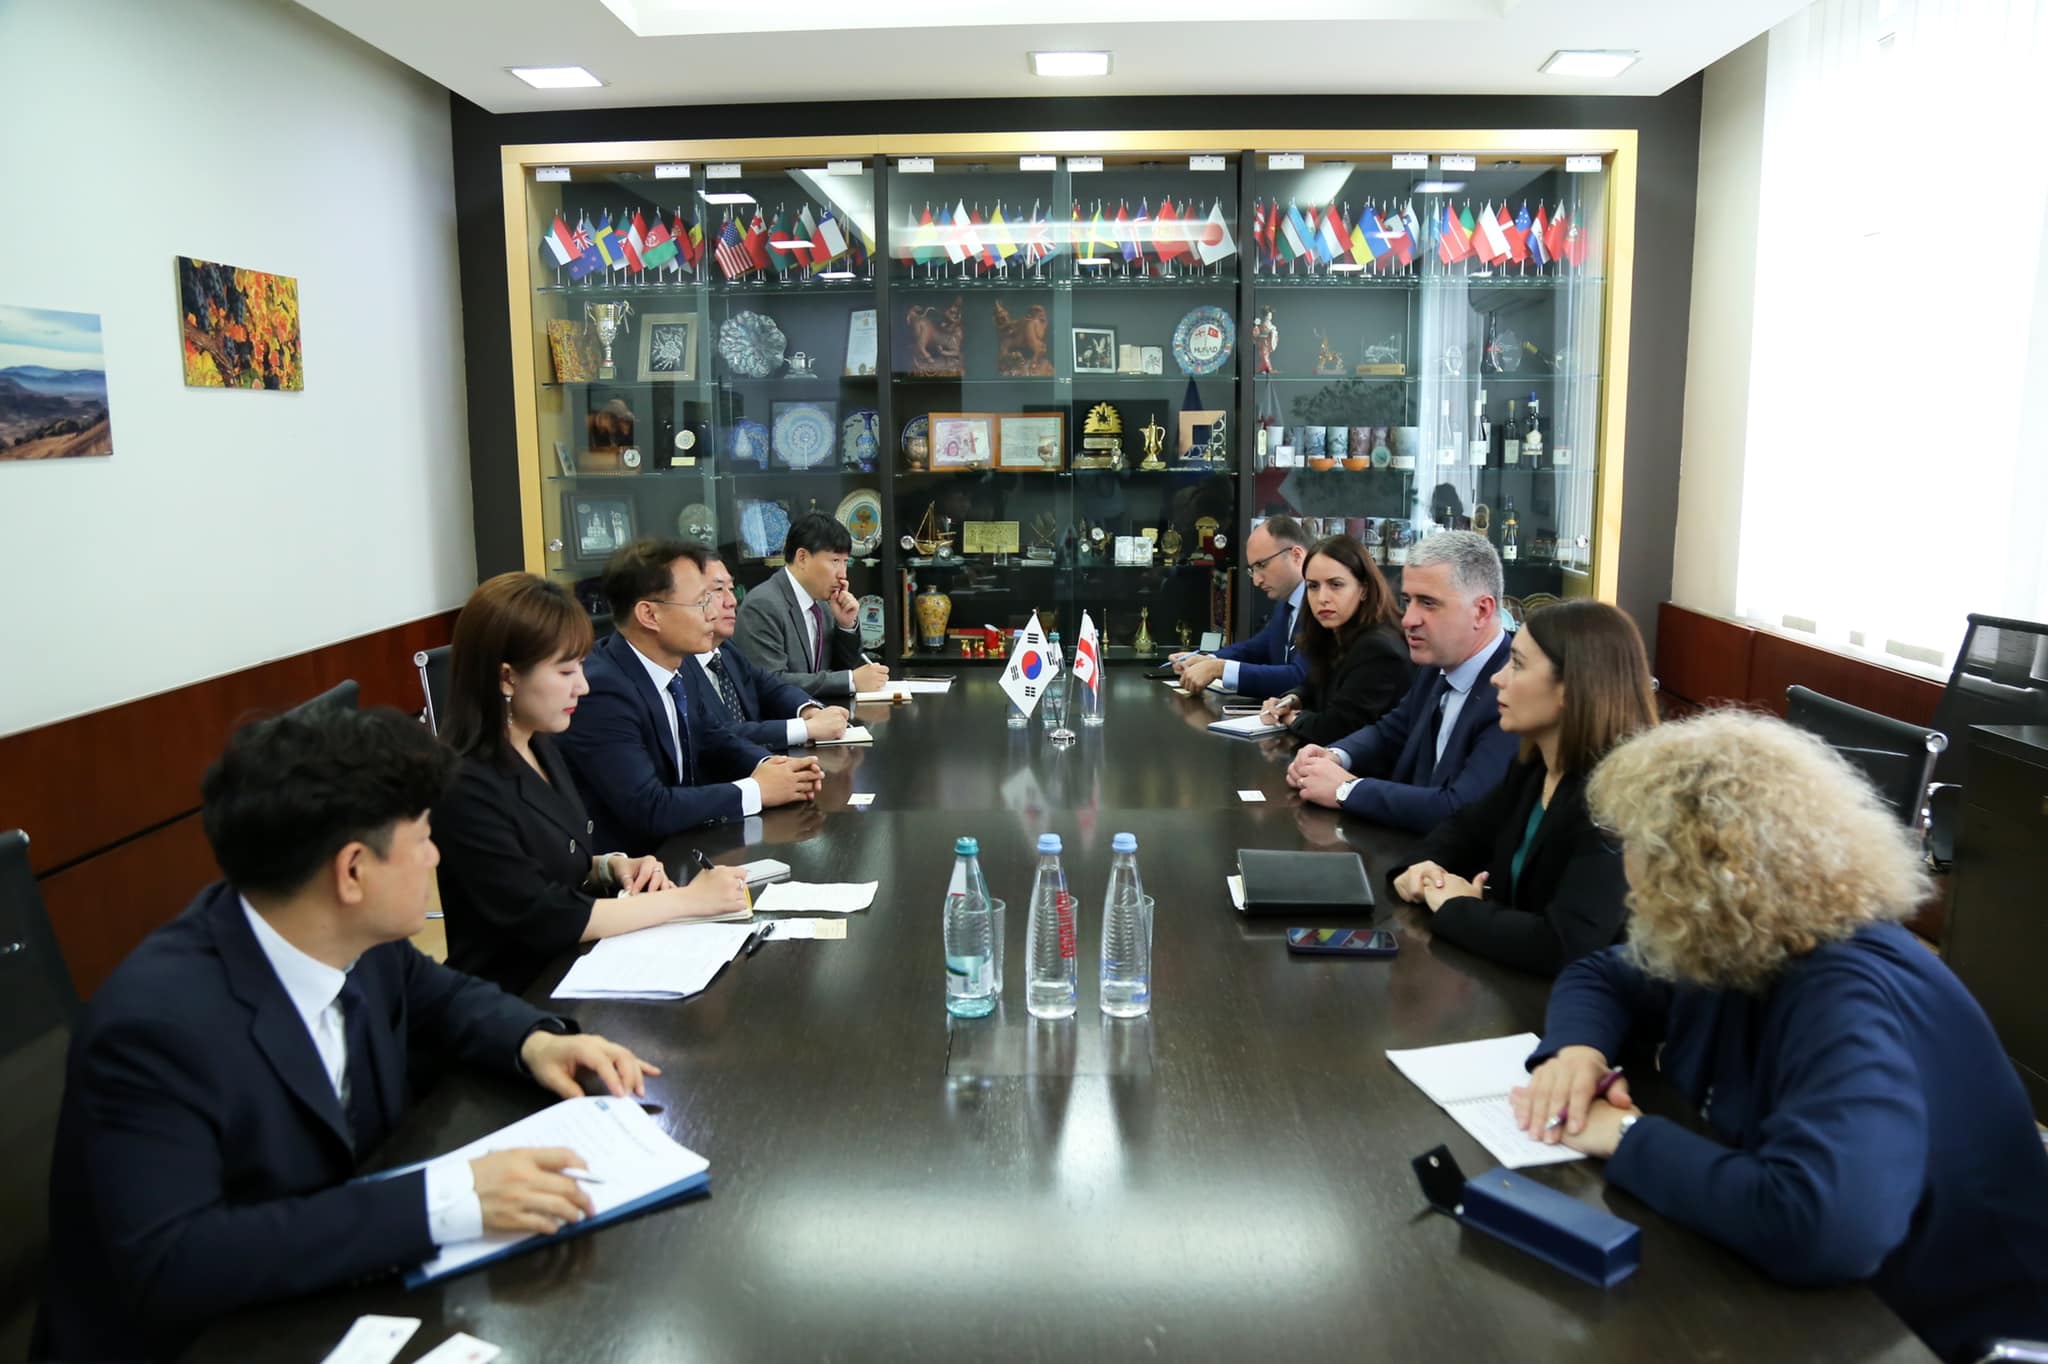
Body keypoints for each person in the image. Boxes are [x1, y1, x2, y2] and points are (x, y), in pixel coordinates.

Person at [38, 706, 661, 1363]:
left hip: (331, 1290)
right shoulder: (153, 1028)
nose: (436, 856)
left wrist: (536, 1043)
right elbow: (178, 1260)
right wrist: (448, 1198)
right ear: (353, 872)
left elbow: (440, 997)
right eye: (423, 839)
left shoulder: (353, 937)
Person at [1511, 711, 2048, 1362]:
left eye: (1641, 865)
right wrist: (1577, 1052)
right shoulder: (1743, 938)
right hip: (1828, 1297)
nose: (1630, 890)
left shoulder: (1844, 995)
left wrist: (1623, 1135)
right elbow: (1603, 974)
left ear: (1704, 878)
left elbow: (1822, 1227)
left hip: (1936, 1330)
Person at [431, 572, 752, 993]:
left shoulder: (539, 742)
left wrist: (609, 866)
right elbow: (547, 916)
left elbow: (553, 852)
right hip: (521, 993)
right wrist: (688, 900)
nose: (582, 686)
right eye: (566, 671)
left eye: (581, 667)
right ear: (507, 678)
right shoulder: (466, 784)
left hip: (578, 964)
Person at [1388, 600, 1656, 974]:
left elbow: (1562, 945)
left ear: (1572, 687)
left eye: (1517, 664)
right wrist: (1421, 869)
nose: (1497, 678)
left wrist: (1456, 907)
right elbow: (1462, 831)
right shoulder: (1534, 767)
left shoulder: (1617, 799)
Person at [559, 538, 823, 852]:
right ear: (649, 615)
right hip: (637, 865)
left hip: (689, 845)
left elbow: (713, 737)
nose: (712, 613)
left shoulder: (678, 663)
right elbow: (649, 806)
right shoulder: (602, 691)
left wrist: (772, 766)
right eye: (701, 602)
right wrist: (756, 790)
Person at [1286, 530, 1518, 832]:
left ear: (1481, 611)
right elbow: (1391, 731)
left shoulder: (1514, 690)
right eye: (1408, 601)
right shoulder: (1437, 663)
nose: (1408, 619)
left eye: (1428, 603)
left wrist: (1346, 790)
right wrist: (1334, 756)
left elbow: (1460, 808)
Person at [679, 555, 851, 751]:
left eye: (731, 589)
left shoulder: (726, 649)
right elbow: (715, 734)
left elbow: (770, 687)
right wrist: (805, 728)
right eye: (718, 590)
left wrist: (808, 710)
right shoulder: (678, 664)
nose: (732, 601)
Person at [1258, 534, 1411, 745]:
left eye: (1336, 585)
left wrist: (1289, 718)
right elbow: (1313, 685)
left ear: (1364, 589)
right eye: (1313, 586)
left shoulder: (1378, 648)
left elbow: (1335, 728)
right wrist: (1289, 701)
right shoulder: (1333, 633)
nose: (1322, 598)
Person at [731, 512, 889, 700]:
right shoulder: (762, 605)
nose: (843, 575)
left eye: (845, 562)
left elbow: (841, 670)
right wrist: (850, 680)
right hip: (783, 716)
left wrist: (845, 626)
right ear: (802, 558)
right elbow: (771, 682)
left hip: (826, 713)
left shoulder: (824, 605)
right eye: (835, 561)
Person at [1171, 514, 1310, 699]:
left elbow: (1300, 678)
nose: (1257, 580)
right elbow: (1255, 649)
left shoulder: (1322, 608)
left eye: (1262, 565)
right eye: (1253, 569)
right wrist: (1208, 660)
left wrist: (1219, 668)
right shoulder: (1286, 603)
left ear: (1296, 556)